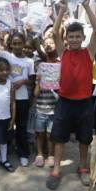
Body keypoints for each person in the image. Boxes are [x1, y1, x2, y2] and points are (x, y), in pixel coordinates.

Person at [46, 0, 96, 190]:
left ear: (83, 38)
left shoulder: (89, 52)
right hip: (65, 102)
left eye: (78, 36)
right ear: (66, 39)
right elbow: (54, 32)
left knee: (84, 139)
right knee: (59, 138)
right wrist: (61, 9)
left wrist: (86, 5)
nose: (75, 39)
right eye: (71, 36)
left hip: (85, 103)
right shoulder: (64, 52)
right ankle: (56, 170)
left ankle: (83, 168)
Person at [0, 22, 35, 167]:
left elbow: (32, 80)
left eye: (20, 43)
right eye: (14, 43)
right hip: (6, 99)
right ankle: (3, 152)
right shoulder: (5, 55)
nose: (17, 46)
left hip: (22, 98)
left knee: (21, 126)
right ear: (11, 44)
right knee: (4, 126)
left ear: (23, 44)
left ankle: (23, 153)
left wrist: (23, 81)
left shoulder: (29, 61)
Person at [33, 37, 59, 168]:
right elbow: (35, 94)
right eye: (46, 43)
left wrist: (58, 82)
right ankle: (39, 154)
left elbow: (62, 90)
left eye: (51, 43)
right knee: (40, 133)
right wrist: (39, 81)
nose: (49, 45)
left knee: (50, 134)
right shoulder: (41, 66)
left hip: (54, 109)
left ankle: (51, 155)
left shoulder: (60, 65)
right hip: (40, 108)